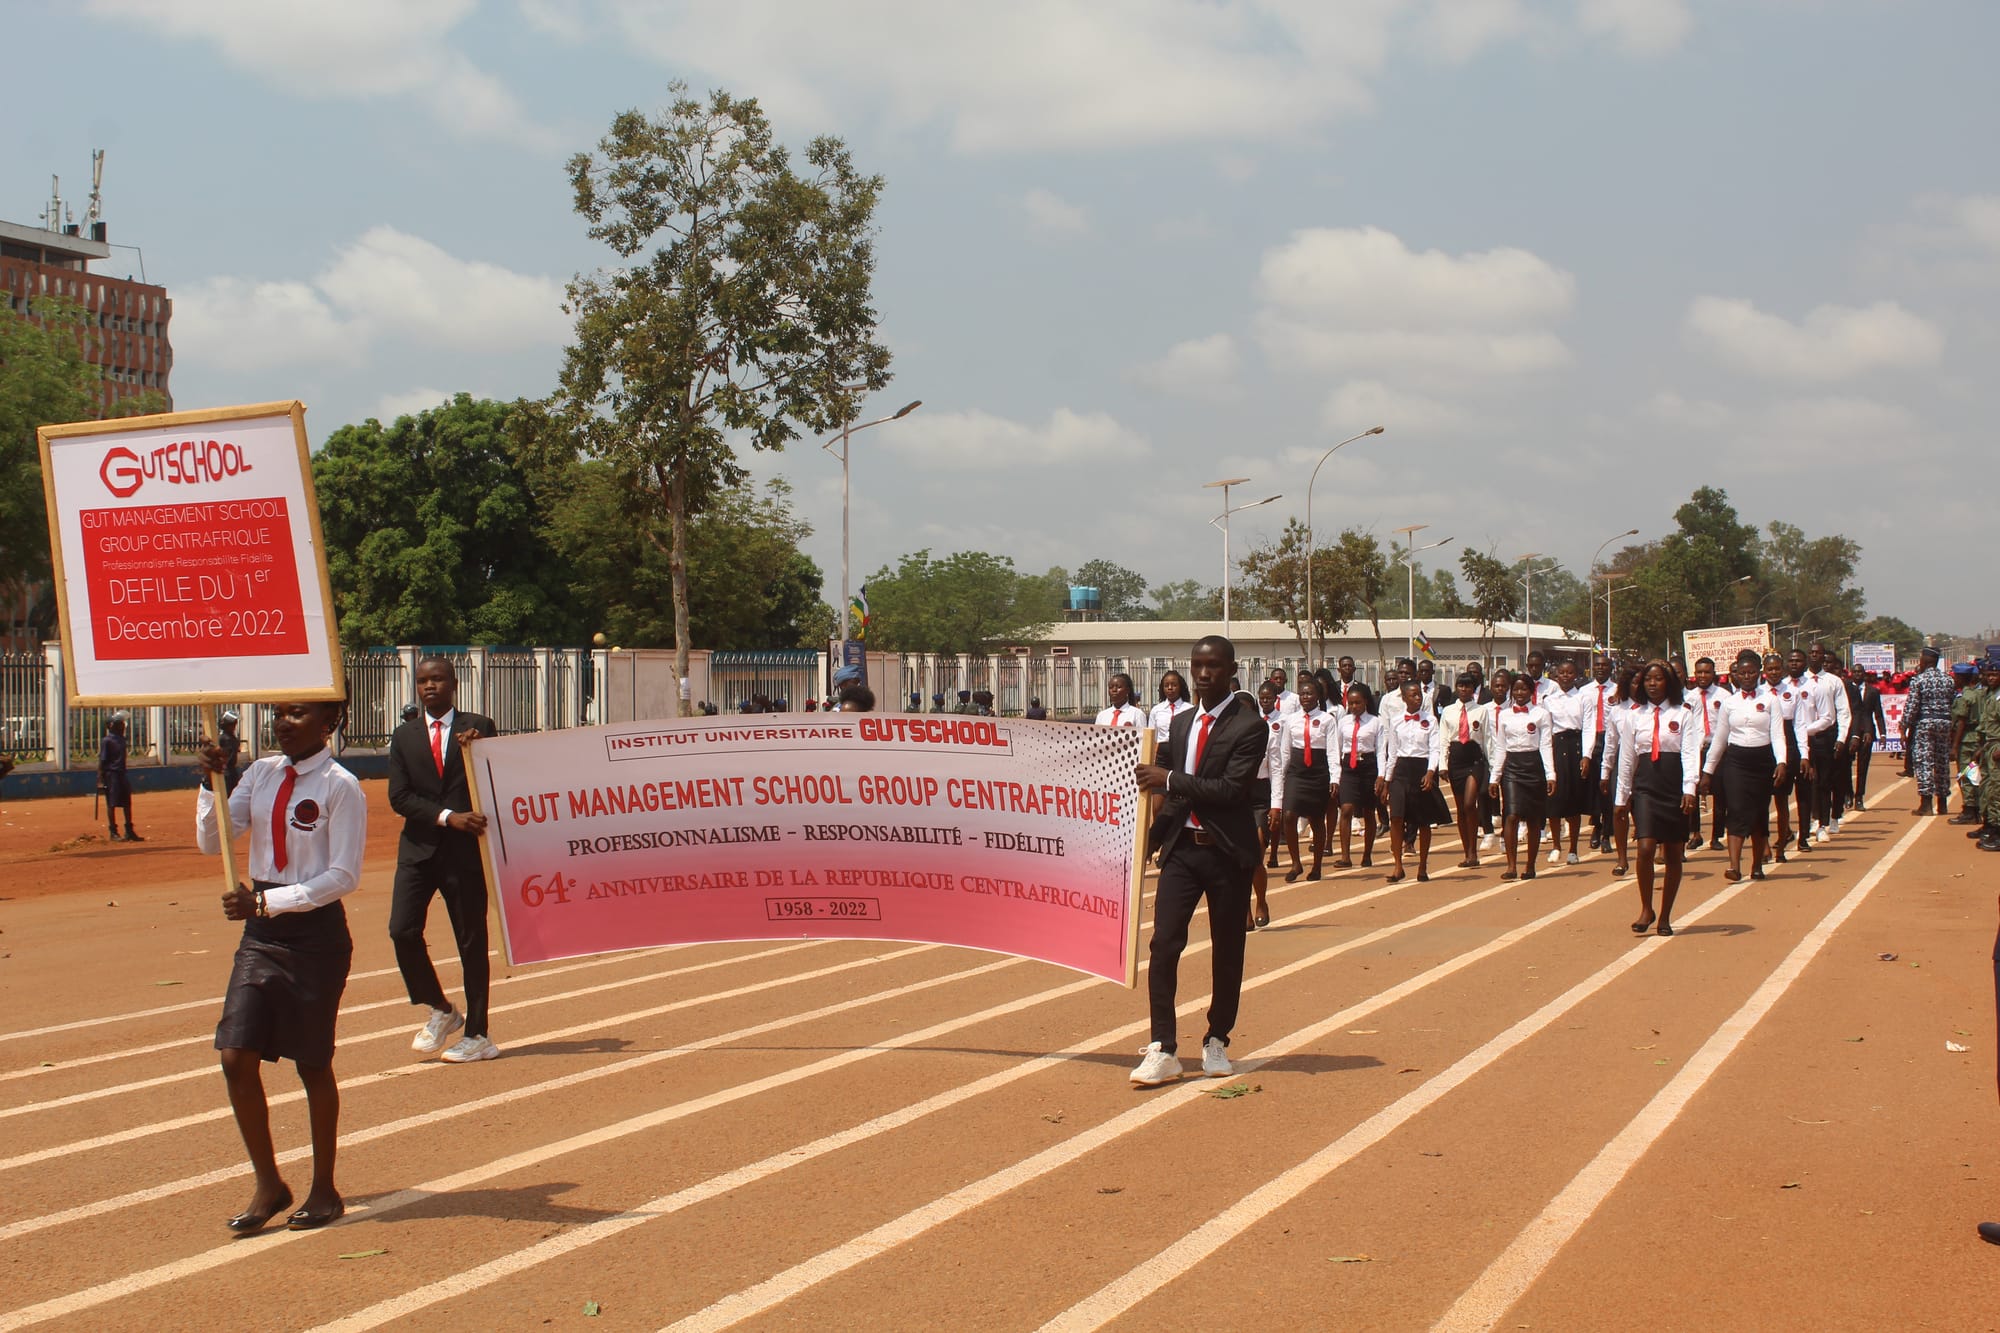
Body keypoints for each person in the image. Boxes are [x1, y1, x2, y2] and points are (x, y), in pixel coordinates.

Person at [195, 697, 363, 1233]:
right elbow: (211, 841)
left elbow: (343, 876)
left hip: (314, 935)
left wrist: (269, 902)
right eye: (279, 713)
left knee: (312, 1064)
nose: (282, 723)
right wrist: (210, 784)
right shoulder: (262, 774)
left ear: (329, 721)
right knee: (234, 1055)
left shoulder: (341, 785)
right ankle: (269, 1183)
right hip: (261, 934)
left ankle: (324, 1188)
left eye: (297, 713)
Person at [1131, 635, 1267, 1087]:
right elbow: (1176, 797)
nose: (1203, 674)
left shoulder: (1250, 726)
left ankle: (1217, 1040)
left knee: (1228, 950)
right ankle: (1163, 1047)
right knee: (1163, 945)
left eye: (1212, 666)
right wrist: (1149, 840)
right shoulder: (1183, 722)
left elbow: (1229, 791)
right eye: (1197, 665)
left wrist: (1168, 777)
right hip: (1183, 852)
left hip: (1227, 852)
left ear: (1231, 669)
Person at [387, 657, 499, 1064]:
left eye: (436, 679)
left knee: (472, 942)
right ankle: (440, 1007)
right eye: (422, 681)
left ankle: (479, 1033)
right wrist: (448, 817)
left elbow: (497, 777)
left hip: (465, 854)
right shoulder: (404, 736)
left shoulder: (479, 726)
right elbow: (399, 797)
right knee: (401, 931)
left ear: (453, 683)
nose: (429, 686)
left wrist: (479, 749)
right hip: (418, 850)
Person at [1616, 660, 1699, 937]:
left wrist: (1690, 788)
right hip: (1646, 786)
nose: (1652, 684)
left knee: (1673, 852)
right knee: (1645, 848)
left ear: (1669, 683)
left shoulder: (1683, 714)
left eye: (1658, 679)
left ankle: (1664, 915)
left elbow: (1689, 752)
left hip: (1673, 784)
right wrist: (1622, 795)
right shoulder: (1634, 715)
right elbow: (1627, 758)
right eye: (1648, 679)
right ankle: (1646, 908)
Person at [1699, 650, 1788, 882]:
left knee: (1759, 814)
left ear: (1759, 674)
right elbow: (1720, 739)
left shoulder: (1770, 700)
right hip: (1736, 762)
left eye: (1751, 672)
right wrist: (1708, 771)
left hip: (1762, 761)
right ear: (1735, 675)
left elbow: (1777, 735)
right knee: (1736, 810)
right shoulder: (1729, 703)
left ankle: (1757, 865)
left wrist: (1781, 762)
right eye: (1742, 673)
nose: (1747, 677)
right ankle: (1734, 866)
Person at [1379, 679, 1450, 882]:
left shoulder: (1431, 720)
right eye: (1413, 695)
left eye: (1419, 694)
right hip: (1401, 771)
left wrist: (1430, 773)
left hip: (1421, 770)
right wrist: (1386, 780)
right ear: (1404, 697)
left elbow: (1434, 749)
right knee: (1397, 818)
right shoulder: (1396, 720)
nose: (1418, 698)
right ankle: (1398, 866)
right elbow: (1392, 753)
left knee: (1422, 820)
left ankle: (1422, 866)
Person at [1486, 672, 1556, 880]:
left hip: (1533, 766)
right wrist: (1494, 777)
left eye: (1523, 689)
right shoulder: (1504, 715)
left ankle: (1530, 865)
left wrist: (1550, 774)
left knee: (1534, 819)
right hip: (1512, 768)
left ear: (1531, 691)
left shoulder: (1541, 714)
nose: (1519, 693)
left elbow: (1546, 745)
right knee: (1511, 815)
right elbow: (1500, 747)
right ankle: (1511, 865)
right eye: (1515, 689)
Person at [1269, 675, 1335, 882]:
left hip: (1318, 772)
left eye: (1309, 693)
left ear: (1318, 696)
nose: (1305, 697)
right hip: (1296, 772)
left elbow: (1333, 751)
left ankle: (1316, 866)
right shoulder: (1291, 720)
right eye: (1302, 693)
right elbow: (1285, 750)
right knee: (1289, 815)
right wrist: (1281, 775)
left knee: (1316, 820)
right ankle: (1296, 863)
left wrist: (1335, 778)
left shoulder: (1327, 720)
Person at [1439, 672, 1493, 869]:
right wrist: (1443, 765)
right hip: (1455, 760)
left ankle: (1474, 851)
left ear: (1474, 689)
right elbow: (1443, 738)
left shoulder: (1481, 711)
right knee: (1461, 808)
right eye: (1460, 686)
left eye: (1468, 686)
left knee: (1471, 803)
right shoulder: (1448, 711)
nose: (1464, 689)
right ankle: (1468, 851)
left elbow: (1487, 738)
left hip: (1474, 759)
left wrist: (1493, 766)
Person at [1800, 643, 1853, 838]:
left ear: (1824, 657)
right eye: (1811, 652)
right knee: (1806, 781)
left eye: (1818, 653)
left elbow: (1843, 711)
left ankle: (1824, 823)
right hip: (1802, 738)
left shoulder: (1833, 681)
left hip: (1825, 737)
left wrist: (1841, 738)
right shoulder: (1799, 681)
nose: (1814, 655)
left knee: (1823, 781)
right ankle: (1810, 822)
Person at [1329, 683, 1383, 869]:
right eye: (1350, 703)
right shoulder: (1343, 722)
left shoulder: (1376, 722)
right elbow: (1336, 748)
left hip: (1368, 766)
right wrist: (1335, 775)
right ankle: (1345, 856)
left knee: (1369, 812)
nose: (1353, 707)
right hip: (1349, 768)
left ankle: (1367, 855)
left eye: (1357, 703)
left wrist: (1381, 775)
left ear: (1365, 702)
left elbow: (1381, 751)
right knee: (1346, 809)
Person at [1902, 646, 1956, 815]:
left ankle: (1926, 804)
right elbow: (1953, 703)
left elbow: (1912, 706)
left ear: (1925, 661)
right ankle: (1942, 803)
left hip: (1925, 723)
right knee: (1941, 762)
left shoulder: (1919, 680)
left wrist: (1904, 725)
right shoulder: (1949, 680)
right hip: (1945, 724)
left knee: (1924, 762)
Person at [1543, 659, 1586, 865]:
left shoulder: (1583, 697)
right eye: (1562, 673)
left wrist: (1586, 755)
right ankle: (1556, 845)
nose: (1566, 676)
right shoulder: (1549, 700)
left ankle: (1573, 849)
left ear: (1576, 674)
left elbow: (1587, 728)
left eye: (1570, 673)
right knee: (1555, 798)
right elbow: (1546, 729)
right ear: (1556, 675)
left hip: (1576, 745)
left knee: (1574, 798)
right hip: (1557, 746)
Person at [1684, 657, 1728, 853]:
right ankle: (1695, 833)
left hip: (1717, 749)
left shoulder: (1724, 696)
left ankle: (1716, 836)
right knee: (1692, 790)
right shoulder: (1689, 698)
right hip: (1695, 749)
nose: (1703, 676)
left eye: (1707, 672)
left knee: (1719, 794)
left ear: (1714, 673)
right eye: (1699, 672)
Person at [1577, 657, 1617, 851]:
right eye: (1598, 665)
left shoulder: (1618, 690)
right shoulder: (1584, 692)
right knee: (1594, 787)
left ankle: (1607, 834)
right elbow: (1583, 722)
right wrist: (1585, 753)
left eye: (1605, 665)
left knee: (1608, 788)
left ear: (1611, 668)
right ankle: (1597, 826)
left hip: (1612, 742)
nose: (1601, 668)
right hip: (1592, 742)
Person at [1950, 662, 1986, 825]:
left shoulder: (1965, 696)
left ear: (1962, 678)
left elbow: (1962, 721)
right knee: (1977, 775)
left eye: (1956, 677)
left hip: (1966, 740)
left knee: (1965, 775)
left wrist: (1955, 746)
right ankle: (1977, 809)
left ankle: (1970, 810)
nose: (1954, 680)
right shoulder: (1981, 693)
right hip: (1979, 738)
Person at [98, 711, 141, 842]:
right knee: (112, 803)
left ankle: (129, 830)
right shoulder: (107, 741)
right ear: (112, 726)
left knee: (127, 803)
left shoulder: (121, 739)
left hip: (122, 773)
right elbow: (102, 760)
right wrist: (100, 779)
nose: (123, 726)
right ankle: (113, 832)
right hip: (112, 775)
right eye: (119, 724)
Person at [1852, 669, 1886, 811]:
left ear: (1864, 675)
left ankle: (1859, 797)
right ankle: (1847, 793)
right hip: (1850, 731)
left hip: (1867, 732)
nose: (1857, 674)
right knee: (1844, 766)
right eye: (1855, 672)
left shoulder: (1873, 692)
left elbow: (1878, 714)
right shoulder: (1846, 689)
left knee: (1863, 766)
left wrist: (1883, 733)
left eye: (1860, 672)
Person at [1150, 670, 1195, 743]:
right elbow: (1151, 738)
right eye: (1166, 685)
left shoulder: (1190, 709)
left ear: (1180, 687)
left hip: (1182, 750)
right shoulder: (1156, 710)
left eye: (1174, 685)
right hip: (1161, 751)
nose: (1170, 688)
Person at [218, 711, 246, 794]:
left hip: (231, 770)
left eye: (234, 724)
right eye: (231, 724)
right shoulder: (223, 738)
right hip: (225, 771)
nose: (233, 726)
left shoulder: (231, 737)